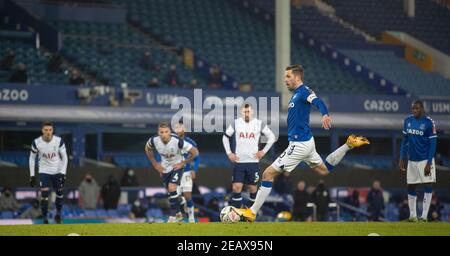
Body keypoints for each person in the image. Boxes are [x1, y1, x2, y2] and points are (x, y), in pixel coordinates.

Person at [238, 64, 370, 221]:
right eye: (285, 77)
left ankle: (252, 212)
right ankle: (348, 145)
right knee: (324, 170)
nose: (285, 80)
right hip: (307, 142)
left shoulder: (303, 92)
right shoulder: (296, 94)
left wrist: (325, 115)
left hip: (299, 144)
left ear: (297, 77)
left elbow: (318, 102)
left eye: (288, 77)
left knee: (267, 174)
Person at [222, 103, 276, 208]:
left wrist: (263, 151)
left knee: (253, 188)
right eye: (244, 111)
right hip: (239, 161)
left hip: (253, 161)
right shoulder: (236, 123)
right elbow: (225, 137)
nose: (246, 113)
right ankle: (237, 212)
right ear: (241, 112)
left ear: (252, 112)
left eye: (248, 111)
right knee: (236, 187)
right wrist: (229, 153)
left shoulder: (258, 123)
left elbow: (272, 137)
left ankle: (251, 213)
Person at [144, 122, 199, 222]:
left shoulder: (181, 141)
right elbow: (148, 149)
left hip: (181, 168)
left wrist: (190, 167)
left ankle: (187, 218)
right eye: (162, 132)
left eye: (166, 132)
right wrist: (156, 164)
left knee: (184, 193)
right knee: (172, 194)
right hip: (166, 168)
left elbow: (196, 154)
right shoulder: (154, 140)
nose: (164, 134)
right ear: (158, 132)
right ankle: (179, 211)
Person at [399, 100, 437, 222]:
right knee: (411, 186)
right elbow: (404, 141)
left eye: (417, 108)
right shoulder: (408, 121)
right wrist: (402, 157)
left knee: (428, 184)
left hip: (425, 160)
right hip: (412, 160)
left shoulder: (429, 123)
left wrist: (429, 162)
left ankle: (424, 217)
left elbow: (433, 144)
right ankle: (413, 216)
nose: (414, 110)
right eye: (413, 109)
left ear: (422, 109)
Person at [29, 122, 68, 224]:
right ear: (42, 131)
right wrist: (32, 175)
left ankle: (58, 214)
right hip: (44, 171)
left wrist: (63, 173)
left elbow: (65, 157)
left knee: (59, 193)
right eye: (46, 130)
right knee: (44, 195)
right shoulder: (36, 142)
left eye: (50, 130)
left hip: (57, 170)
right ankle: (45, 218)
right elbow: (32, 158)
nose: (48, 132)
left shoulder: (58, 141)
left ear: (52, 130)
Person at [174, 122, 200, 223]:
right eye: (176, 127)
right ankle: (182, 203)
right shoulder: (171, 142)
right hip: (175, 173)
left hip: (186, 172)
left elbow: (197, 157)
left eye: (180, 127)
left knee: (188, 195)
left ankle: (191, 219)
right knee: (175, 197)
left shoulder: (190, 142)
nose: (178, 129)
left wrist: (194, 169)